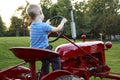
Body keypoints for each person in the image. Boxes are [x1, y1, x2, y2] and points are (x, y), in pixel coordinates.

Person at [26, 4, 67, 76]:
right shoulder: (44, 26)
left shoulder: (32, 26)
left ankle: (44, 74)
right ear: (41, 12)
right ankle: (58, 75)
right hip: (43, 50)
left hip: (34, 51)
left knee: (45, 61)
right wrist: (63, 22)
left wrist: (47, 24)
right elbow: (58, 29)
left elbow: (41, 30)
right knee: (56, 58)